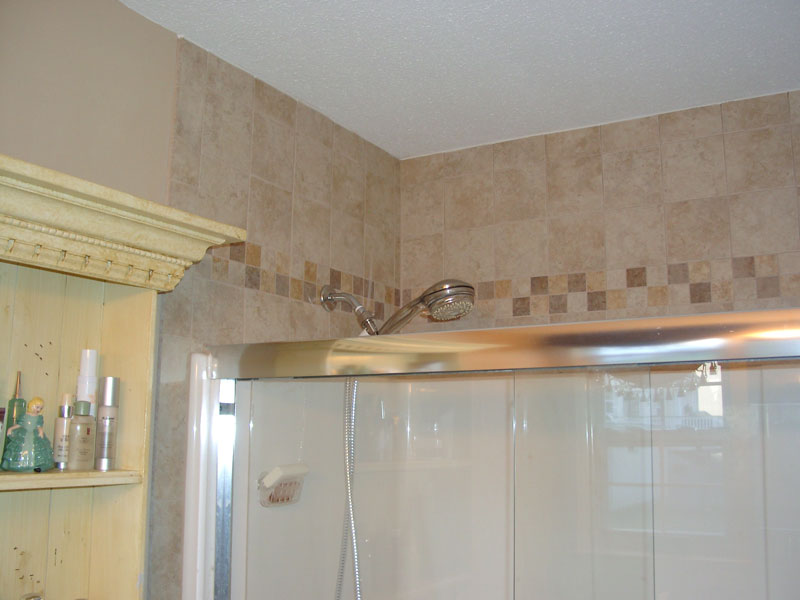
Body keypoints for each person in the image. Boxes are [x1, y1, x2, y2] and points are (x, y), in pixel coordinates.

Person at [1, 396, 54, 472]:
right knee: (20, 448)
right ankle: (21, 464)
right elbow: (19, 424)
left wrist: (41, 431)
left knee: (37, 450)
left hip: (34, 435)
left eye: (40, 408)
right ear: (32, 405)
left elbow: (39, 426)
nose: (38, 410)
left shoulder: (39, 417)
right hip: (24, 434)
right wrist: (11, 428)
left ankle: (37, 466)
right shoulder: (24, 416)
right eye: (37, 407)